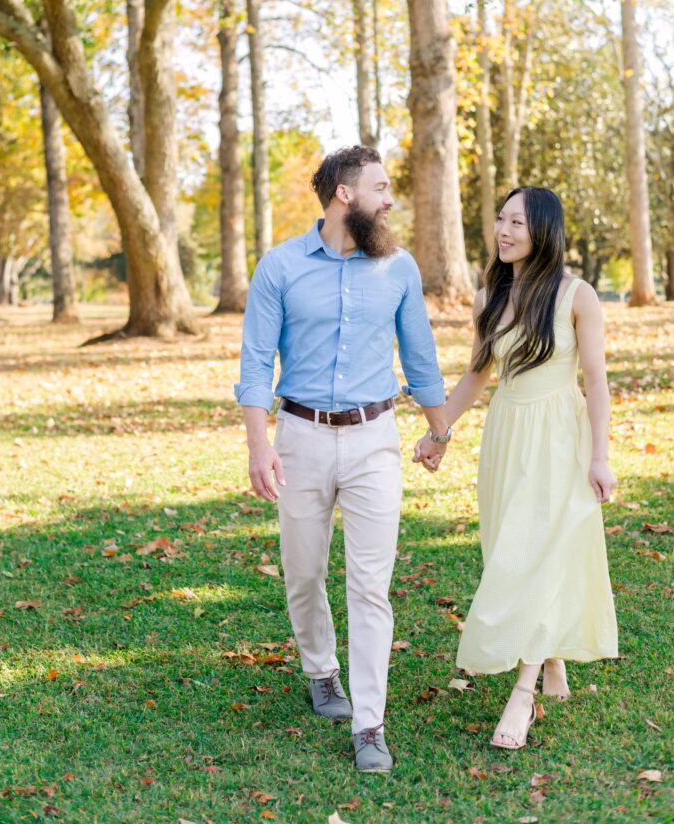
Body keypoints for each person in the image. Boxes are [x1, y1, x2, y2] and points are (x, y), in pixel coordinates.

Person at [235, 145, 451, 772]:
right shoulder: (278, 267)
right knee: (303, 574)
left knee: (370, 586)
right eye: (380, 188)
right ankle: (321, 670)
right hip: (299, 438)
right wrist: (258, 445)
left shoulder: (399, 268)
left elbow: (421, 357)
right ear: (343, 195)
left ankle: (370, 723)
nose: (390, 199)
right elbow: (255, 365)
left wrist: (439, 430)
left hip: (374, 440)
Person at [426, 186, 618, 750]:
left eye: (517, 222)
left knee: (544, 547)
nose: (505, 231)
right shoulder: (491, 294)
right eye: (501, 220)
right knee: (512, 549)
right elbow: (476, 375)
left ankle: (524, 690)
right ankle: (550, 654)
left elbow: (597, 381)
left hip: (560, 432)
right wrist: (439, 432)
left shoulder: (578, 295)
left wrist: (600, 455)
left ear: (543, 232)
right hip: (507, 435)